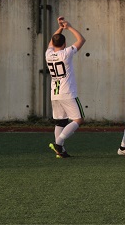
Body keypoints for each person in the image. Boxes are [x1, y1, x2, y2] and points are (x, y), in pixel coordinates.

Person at [46, 17, 86, 158]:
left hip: (55, 93)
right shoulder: (66, 53)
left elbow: (53, 41)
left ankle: (60, 151)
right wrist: (68, 27)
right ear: (65, 43)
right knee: (78, 119)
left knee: (60, 122)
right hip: (67, 92)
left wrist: (61, 28)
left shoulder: (48, 54)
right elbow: (81, 40)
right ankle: (59, 142)